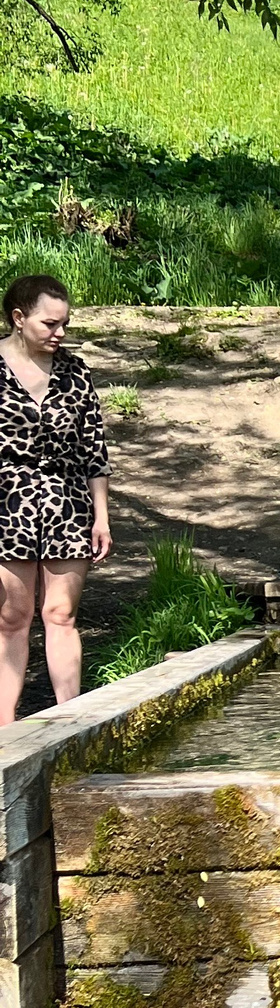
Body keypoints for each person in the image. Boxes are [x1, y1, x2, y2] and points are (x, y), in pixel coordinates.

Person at [0, 275, 110, 724]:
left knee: (61, 613)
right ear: (18, 318)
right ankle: (5, 729)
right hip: (7, 505)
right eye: (50, 323)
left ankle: (70, 723)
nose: (60, 332)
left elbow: (94, 450)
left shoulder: (75, 371)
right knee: (12, 616)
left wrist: (101, 517)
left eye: (65, 323)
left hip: (68, 502)